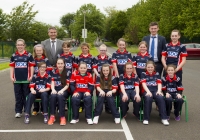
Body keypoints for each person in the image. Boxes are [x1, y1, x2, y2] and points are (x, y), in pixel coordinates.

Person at [9, 39, 35, 118]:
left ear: (24, 45)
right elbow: (12, 67)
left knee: (26, 96)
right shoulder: (14, 56)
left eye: (21, 45)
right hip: (17, 80)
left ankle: (27, 111)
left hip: (26, 79)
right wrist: (11, 77)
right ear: (16, 46)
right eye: (18, 45)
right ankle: (18, 111)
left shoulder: (29, 55)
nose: (20, 46)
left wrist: (31, 76)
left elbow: (31, 66)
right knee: (18, 96)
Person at [140, 61, 169, 125]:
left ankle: (164, 118)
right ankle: (146, 118)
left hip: (155, 90)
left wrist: (159, 91)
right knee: (148, 98)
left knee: (161, 98)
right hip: (146, 90)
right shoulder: (143, 73)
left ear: (154, 67)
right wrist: (148, 91)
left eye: (151, 67)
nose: (150, 68)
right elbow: (143, 84)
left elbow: (159, 83)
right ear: (146, 67)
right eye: (148, 67)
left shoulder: (157, 74)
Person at [32, 44, 52, 116]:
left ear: (42, 51)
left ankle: (43, 109)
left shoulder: (46, 60)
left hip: (44, 80)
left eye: (40, 50)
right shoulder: (33, 59)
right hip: (36, 80)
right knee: (35, 93)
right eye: (37, 50)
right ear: (35, 51)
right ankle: (36, 109)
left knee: (44, 94)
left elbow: (49, 70)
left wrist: (46, 77)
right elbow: (31, 69)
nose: (39, 52)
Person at [48, 58, 69, 126]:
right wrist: (53, 90)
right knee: (53, 96)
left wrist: (61, 90)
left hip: (64, 90)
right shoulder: (53, 72)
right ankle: (52, 116)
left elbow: (67, 85)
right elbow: (52, 82)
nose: (60, 65)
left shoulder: (68, 72)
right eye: (58, 63)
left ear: (64, 64)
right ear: (56, 64)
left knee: (60, 96)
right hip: (56, 89)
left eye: (61, 63)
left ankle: (62, 117)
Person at [74, 43, 94, 113]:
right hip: (80, 76)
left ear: (88, 49)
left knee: (88, 92)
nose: (84, 49)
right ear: (81, 49)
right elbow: (76, 68)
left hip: (88, 77)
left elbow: (93, 68)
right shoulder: (78, 57)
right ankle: (81, 106)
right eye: (83, 48)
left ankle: (89, 108)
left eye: (86, 48)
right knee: (80, 90)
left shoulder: (92, 57)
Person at [93, 44, 112, 114]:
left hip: (107, 78)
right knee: (99, 93)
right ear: (99, 50)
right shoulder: (96, 58)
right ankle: (98, 108)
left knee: (107, 90)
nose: (103, 51)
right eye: (101, 50)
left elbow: (111, 68)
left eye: (104, 50)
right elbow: (94, 67)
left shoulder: (109, 58)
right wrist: (98, 74)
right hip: (99, 78)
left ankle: (108, 107)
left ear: (106, 50)